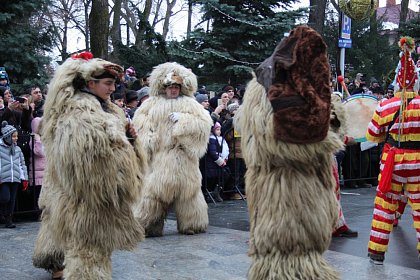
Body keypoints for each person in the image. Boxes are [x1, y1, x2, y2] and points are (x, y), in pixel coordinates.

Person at [32, 52, 147, 280]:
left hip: (99, 198)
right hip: (85, 198)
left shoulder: (107, 108)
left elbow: (119, 146)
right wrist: (121, 141)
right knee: (87, 253)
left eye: (114, 83)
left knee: (94, 251)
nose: (112, 88)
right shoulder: (77, 111)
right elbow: (85, 156)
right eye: (107, 83)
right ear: (90, 83)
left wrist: (130, 139)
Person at [132, 62, 213, 237]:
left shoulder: (191, 105)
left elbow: (204, 125)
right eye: (169, 86)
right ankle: (147, 225)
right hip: (161, 159)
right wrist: (149, 142)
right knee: (154, 193)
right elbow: (141, 127)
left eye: (176, 86)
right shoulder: (150, 105)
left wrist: (183, 121)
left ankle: (192, 223)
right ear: (163, 87)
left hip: (185, 159)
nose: (173, 90)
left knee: (189, 193)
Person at [366, 36, 420, 265]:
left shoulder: (385, 105)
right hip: (418, 163)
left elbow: (373, 134)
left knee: (384, 206)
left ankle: (377, 251)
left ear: (397, 81)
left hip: (392, 162)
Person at [0, 121, 28, 228]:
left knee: (12, 200)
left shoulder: (17, 149)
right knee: (5, 198)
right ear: (7, 137)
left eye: (16, 136)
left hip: (15, 178)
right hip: (4, 178)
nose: (16, 138)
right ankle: (2, 213)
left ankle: (9, 219)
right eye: (14, 136)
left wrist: (24, 178)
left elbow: (22, 164)